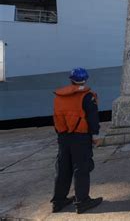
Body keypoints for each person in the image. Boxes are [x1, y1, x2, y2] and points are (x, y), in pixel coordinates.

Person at [51, 67, 103, 214]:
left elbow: (56, 117)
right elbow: (92, 118)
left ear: (70, 79)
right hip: (80, 137)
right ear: (85, 79)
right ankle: (82, 201)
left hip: (63, 137)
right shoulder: (87, 96)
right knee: (81, 169)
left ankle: (58, 201)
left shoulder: (59, 96)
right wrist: (95, 136)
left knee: (63, 169)